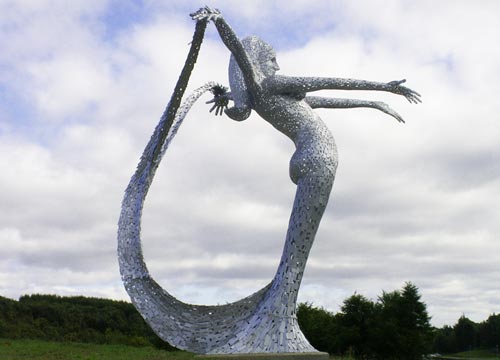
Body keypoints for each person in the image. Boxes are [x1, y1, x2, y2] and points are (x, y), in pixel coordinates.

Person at [190, 7, 421, 352]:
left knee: (293, 253)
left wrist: (375, 102)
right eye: (273, 57)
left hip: (304, 159)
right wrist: (385, 87)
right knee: (296, 258)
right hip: (319, 158)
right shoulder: (273, 83)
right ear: (259, 60)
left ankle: (273, 326)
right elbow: (326, 79)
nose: (278, 64)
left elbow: (327, 99)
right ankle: (280, 329)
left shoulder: (262, 91)